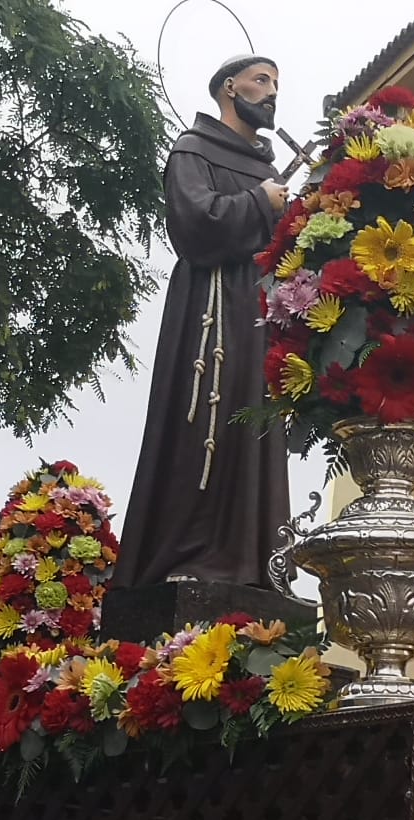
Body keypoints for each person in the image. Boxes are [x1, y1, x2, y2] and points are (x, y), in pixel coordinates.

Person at [113, 55, 290, 601]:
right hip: (211, 307)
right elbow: (194, 225)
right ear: (227, 88)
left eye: (276, 85)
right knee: (206, 419)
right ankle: (192, 552)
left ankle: (249, 559)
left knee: (253, 425)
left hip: (259, 311)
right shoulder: (192, 150)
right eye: (261, 81)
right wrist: (261, 203)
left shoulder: (267, 169)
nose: (271, 93)